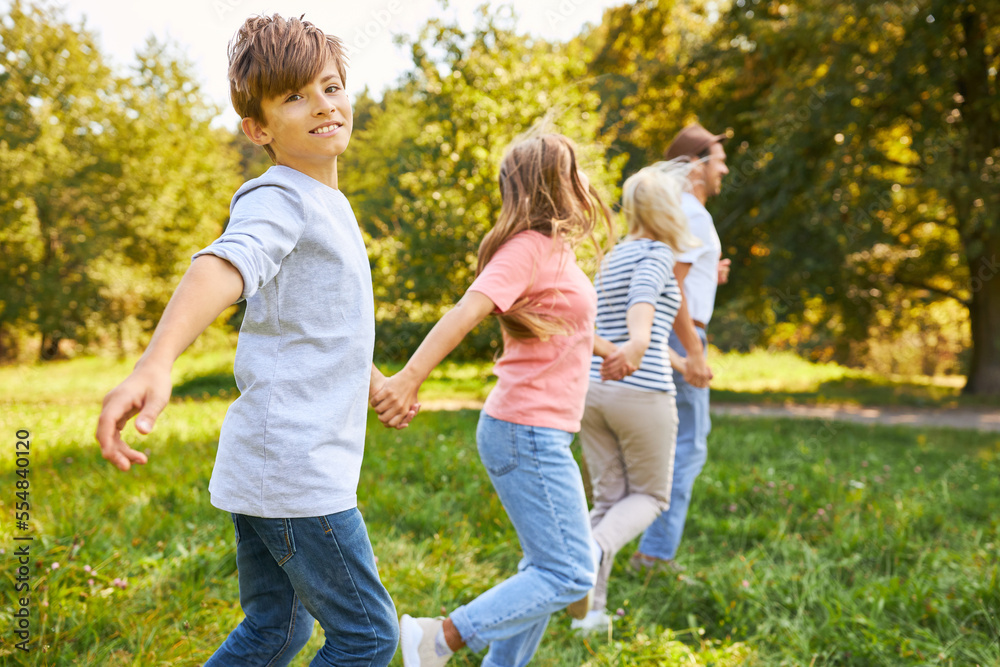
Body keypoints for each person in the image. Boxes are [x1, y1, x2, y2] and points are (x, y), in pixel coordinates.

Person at [94, 15, 414, 666]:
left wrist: (371, 376)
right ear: (259, 129)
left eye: (330, 86)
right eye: (296, 95)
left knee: (277, 628)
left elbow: (320, 325)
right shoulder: (278, 198)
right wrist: (158, 359)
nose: (323, 103)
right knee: (369, 637)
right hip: (298, 474)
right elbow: (224, 262)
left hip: (268, 470)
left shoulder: (331, 205)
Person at [371, 132, 617, 667]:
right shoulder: (526, 248)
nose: (586, 182)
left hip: (540, 431)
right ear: (557, 181)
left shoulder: (556, 250)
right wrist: (409, 377)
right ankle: (440, 637)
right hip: (525, 432)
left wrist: (608, 349)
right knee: (571, 572)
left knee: (545, 569)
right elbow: (466, 311)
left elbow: (563, 324)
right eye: (576, 171)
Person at [570, 161, 706, 630]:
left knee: (609, 503)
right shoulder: (656, 255)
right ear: (665, 208)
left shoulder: (610, 257)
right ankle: (586, 551)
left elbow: (602, 325)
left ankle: (590, 611)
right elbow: (641, 311)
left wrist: (683, 361)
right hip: (641, 392)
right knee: (651, 497)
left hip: (595, 389)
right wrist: (643, 340)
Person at [630, 122, 731, 573]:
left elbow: (681, 276)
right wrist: (694, 352)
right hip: (682, 335)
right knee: (688, 446)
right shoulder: (693, 212)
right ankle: (654, 554)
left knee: (673, 443)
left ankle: (641, 544)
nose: (724, 169)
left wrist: (713, 272)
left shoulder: (683, 211)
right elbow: (671, 286)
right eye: (720, 160)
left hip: (677, 332)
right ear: (696, 165)